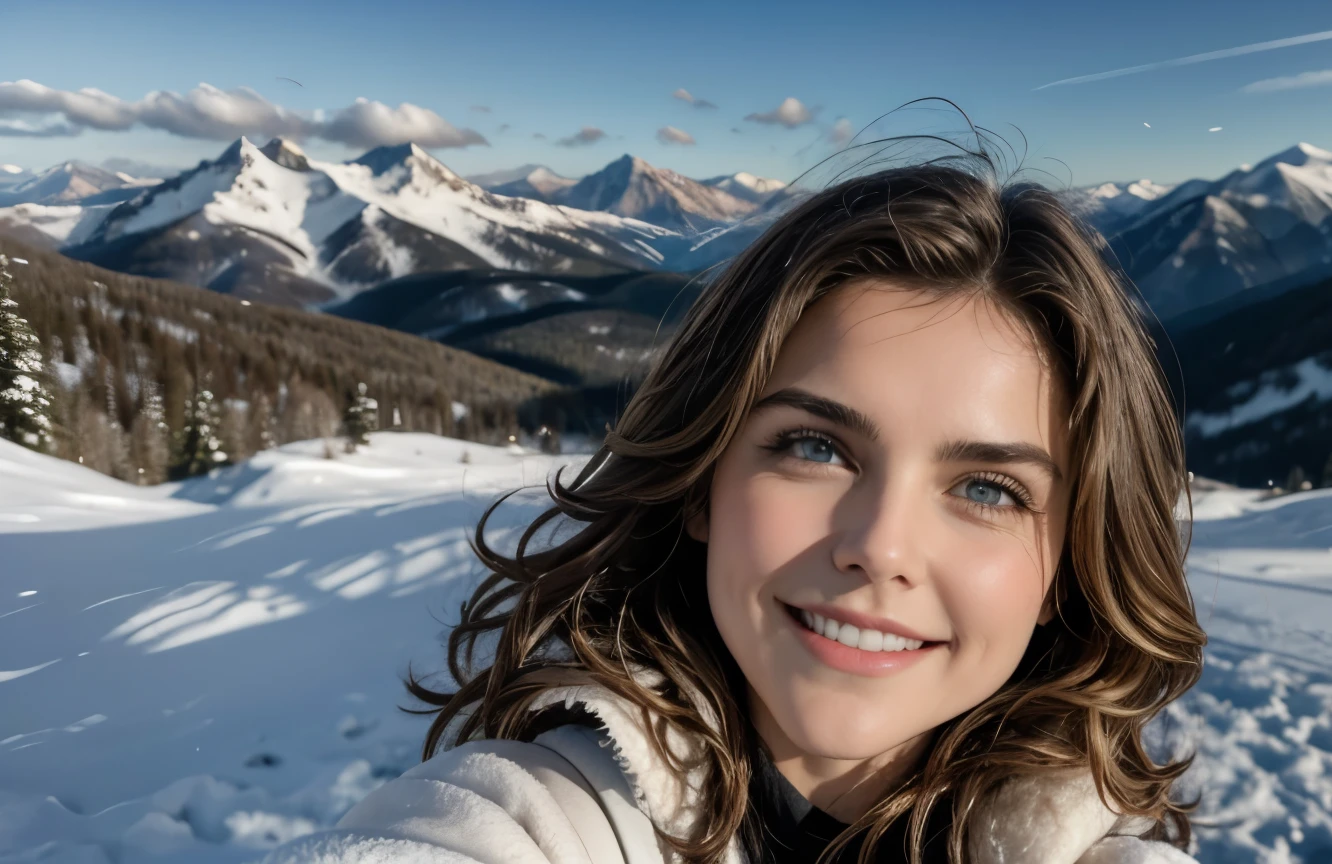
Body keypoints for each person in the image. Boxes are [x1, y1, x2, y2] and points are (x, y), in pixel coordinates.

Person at [262, 112, 1207, 864]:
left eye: (991, 490)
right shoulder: (549, 818)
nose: (880, 545)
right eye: (814, 445)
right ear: (701, 483)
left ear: (1068, 572)